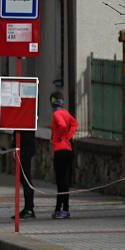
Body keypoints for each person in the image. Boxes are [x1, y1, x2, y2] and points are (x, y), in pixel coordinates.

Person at [50, 91, 78, 219]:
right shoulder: (66, 113)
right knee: (65, 181)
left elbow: (61, 125)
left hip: (60, 151)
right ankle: (65, 209)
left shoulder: (56, 114)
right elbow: (74, 124)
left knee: (60, 182)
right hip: (68, 150)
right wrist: (68, 136)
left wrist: (60, 136)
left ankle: (59, 210)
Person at [15, 130, 36, 218]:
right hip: (23, 147)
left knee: (25, 178)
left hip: (25, 148)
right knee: (24, 178)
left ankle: (29, 208)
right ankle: (28, 207)